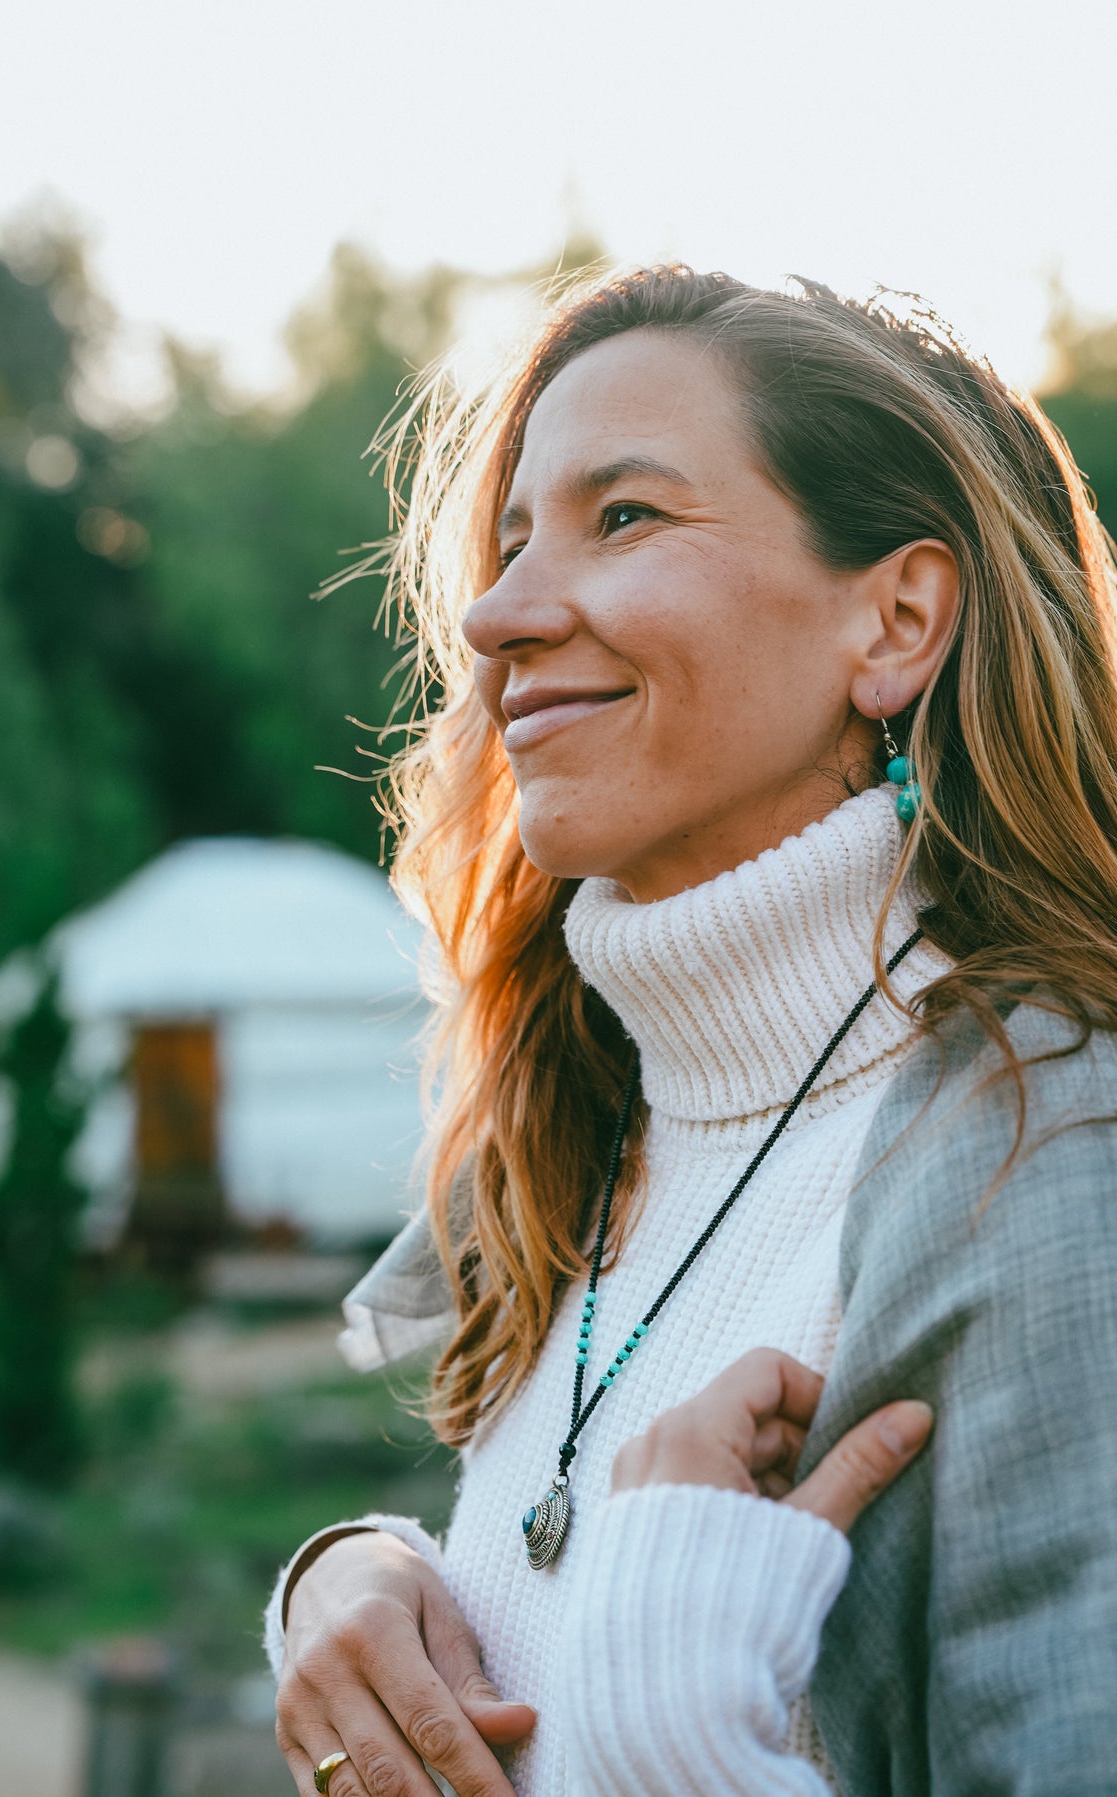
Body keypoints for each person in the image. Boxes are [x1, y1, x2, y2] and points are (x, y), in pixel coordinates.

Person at [265, 265, 1117, 1795]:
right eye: (512, 542)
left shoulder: (1056, 1155)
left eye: (624, 516)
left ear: (898, 619)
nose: (498, 614)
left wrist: (683, 1749)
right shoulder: (577, 1124)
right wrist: (354, 1585)